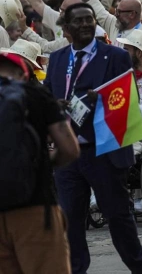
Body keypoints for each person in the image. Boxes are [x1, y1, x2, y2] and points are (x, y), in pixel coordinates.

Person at [44, 3, 142, 274]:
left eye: (89, 20)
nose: (86, 25)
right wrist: (54, 105)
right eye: (78, 22)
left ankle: (138, 266)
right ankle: (77, 269)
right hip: (68, 153)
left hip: (103, 150)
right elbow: (44, 98)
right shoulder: (56, 59)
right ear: (65, 29)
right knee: (70, 219)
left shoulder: (114, 56)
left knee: (117, 215)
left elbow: (128, 98)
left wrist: (101, 99)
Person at [0, 51, 79, 274]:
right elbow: (70, 149)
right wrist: (41, 164)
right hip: (35, 209)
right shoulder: (36, 95)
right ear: (22, 73)